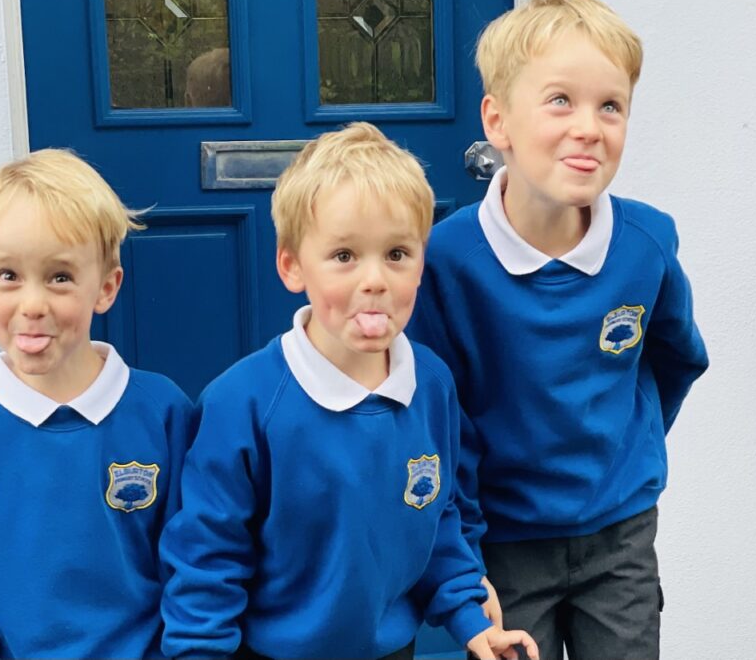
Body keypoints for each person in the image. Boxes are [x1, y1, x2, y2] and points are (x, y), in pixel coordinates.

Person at [160, 123, 538, 660]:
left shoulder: (430, 385)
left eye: (397, 254)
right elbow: (207, 556)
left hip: (390, 649)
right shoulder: (242, 403)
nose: (375, 280)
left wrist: (470, 618)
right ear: (292, 265)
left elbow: (440, 515)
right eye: (344, 256)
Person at [408, 0, 710, 660]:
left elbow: (676, 356)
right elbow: (434, 414)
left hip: (620, 537)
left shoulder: (646, 243)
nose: (588, 127)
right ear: (498, 120)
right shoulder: (445, 262)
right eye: (559, 101)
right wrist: (461, 554)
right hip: (505, 546)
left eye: (611, 106)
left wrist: (622, 448)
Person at [0, 148, 196, 659]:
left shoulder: (163, 410)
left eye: (60, 277)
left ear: (105, 287)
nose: (32, 304)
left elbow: (194, 560)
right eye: (9, 276)